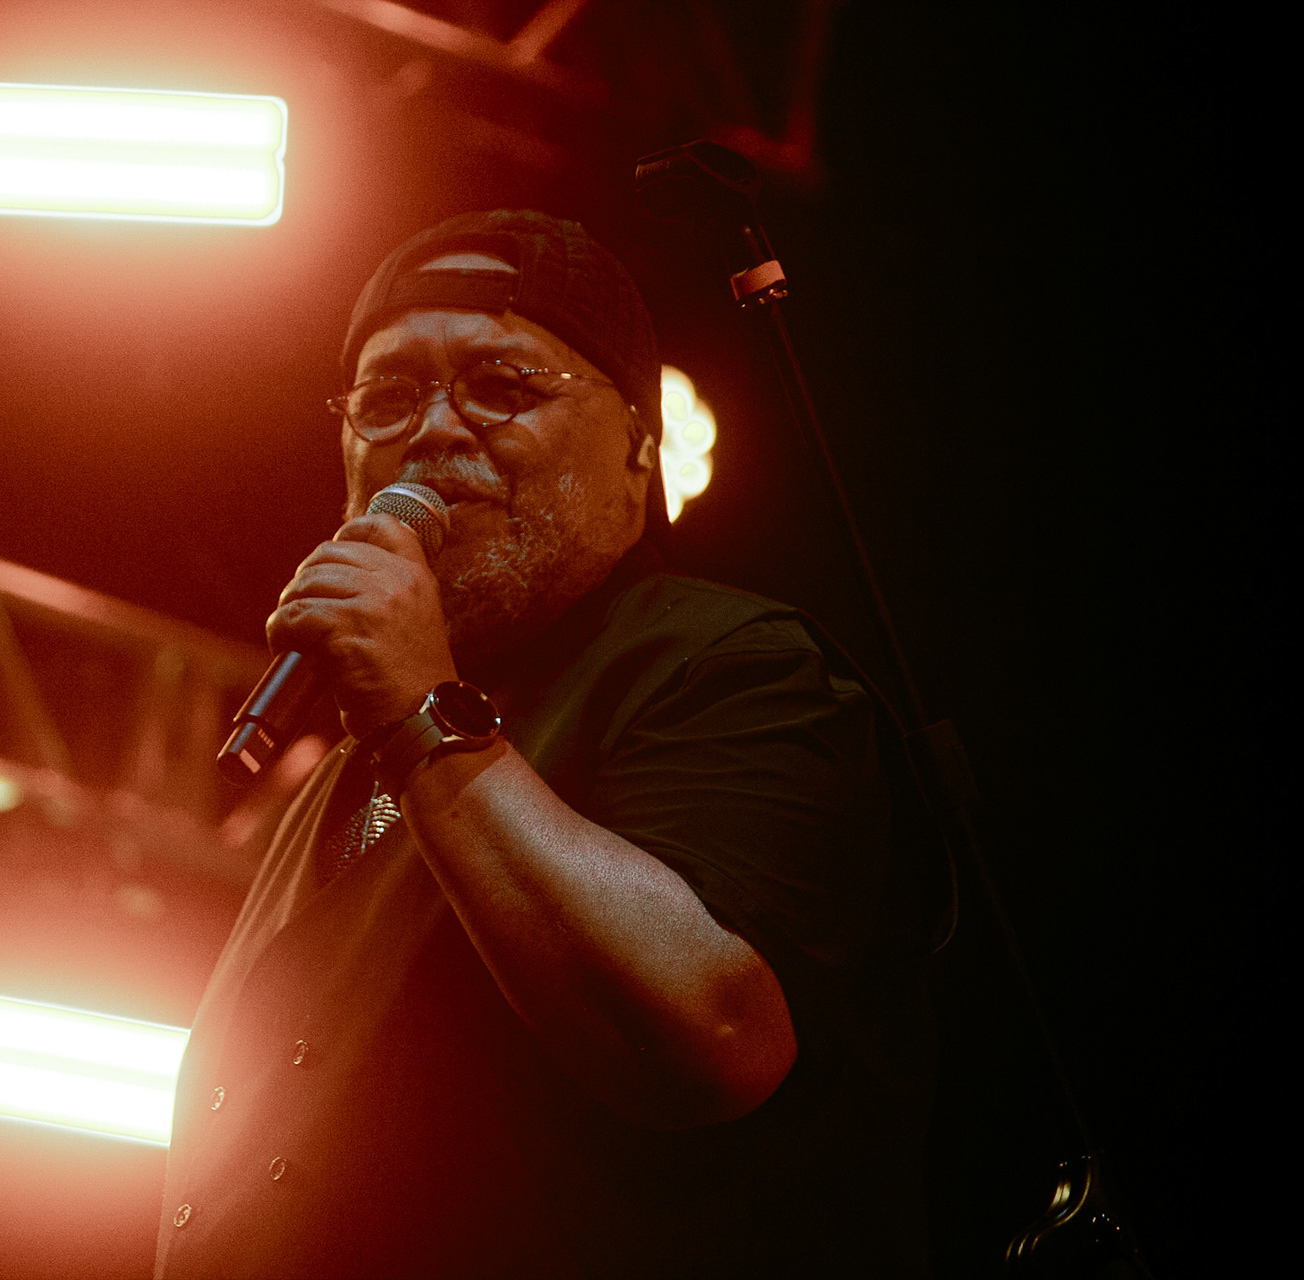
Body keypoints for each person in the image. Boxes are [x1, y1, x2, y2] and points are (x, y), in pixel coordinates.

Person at [155, 209, 934, 1278]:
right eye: (387, 398)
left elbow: (713, 1035)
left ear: (639, 449)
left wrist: (421, 712)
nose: (433, 431)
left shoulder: (733, 662)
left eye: (500, 386)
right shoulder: (353, 751)